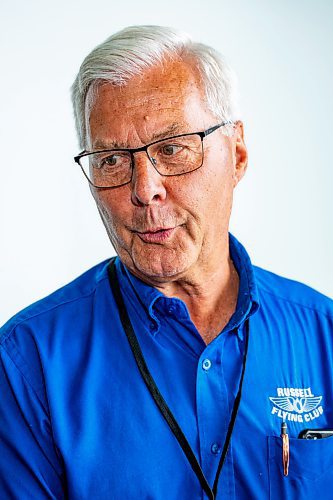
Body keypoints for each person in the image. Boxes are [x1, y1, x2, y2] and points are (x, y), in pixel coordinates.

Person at [0, 25, 332, 500]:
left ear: (236, 153)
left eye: (172, 149)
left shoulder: (324, 334)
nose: (144, 189)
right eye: (112, 160)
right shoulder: (25, 363)